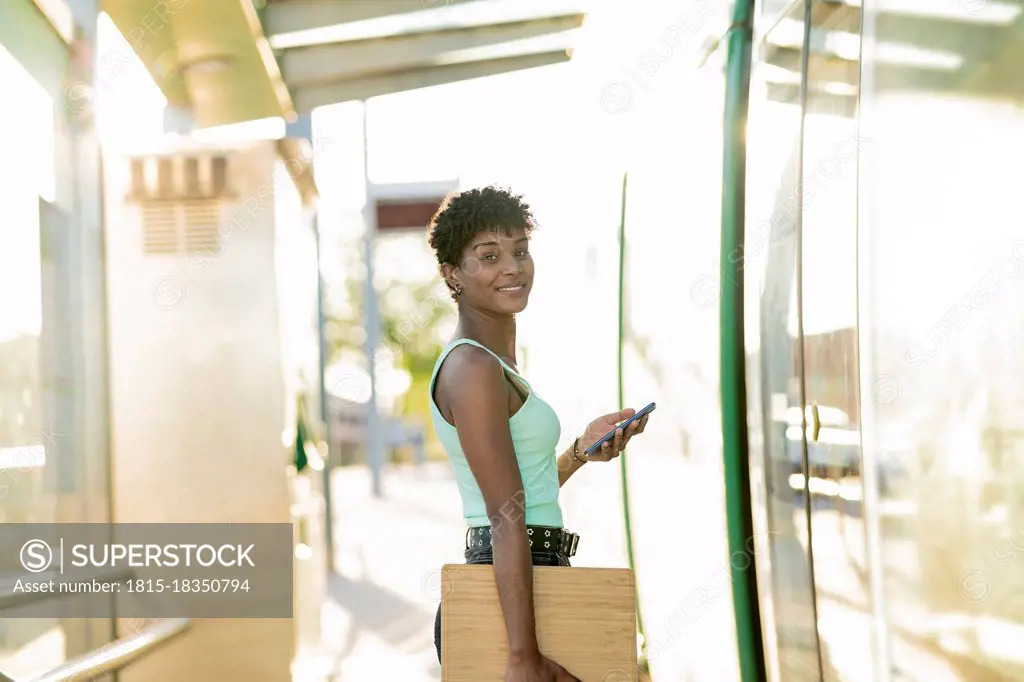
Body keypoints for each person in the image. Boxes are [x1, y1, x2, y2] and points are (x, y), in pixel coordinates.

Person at [426, 186, 650, 681]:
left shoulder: (496, 366)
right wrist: (523, 659)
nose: (512, 267)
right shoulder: (473, 368)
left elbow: (522, 492)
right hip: (507, 598)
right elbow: (507, 517)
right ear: (452, 274)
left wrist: (579, 452)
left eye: (520, 251)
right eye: (489, 256)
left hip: (531, 579)